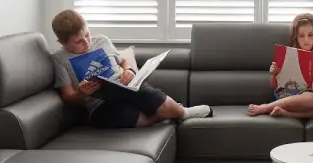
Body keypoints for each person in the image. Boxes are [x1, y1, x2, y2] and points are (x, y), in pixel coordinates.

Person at [50, 9, 212, 129]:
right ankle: (174, 111)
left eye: (87, 35)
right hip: (100, 105)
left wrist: (129, 71)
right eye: (79, 41)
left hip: (127, 87)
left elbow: (124, 62)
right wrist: (81, 93)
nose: (87, 43)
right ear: (62, 42)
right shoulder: (59, 59)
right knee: (138, 118)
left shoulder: (102, 41)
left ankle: (183, 113)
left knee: (147, 93)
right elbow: (67, 96)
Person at [248, 13, 313, 118]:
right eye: (301, 36)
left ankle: (286, 114)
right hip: (292, 96)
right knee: (312, 99)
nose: (306, 40)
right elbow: (274, 86)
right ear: (295, 37)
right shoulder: (287, 55)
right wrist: (273, 74)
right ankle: (266, 107)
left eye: (310, 35)